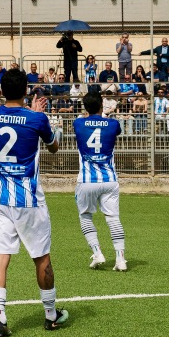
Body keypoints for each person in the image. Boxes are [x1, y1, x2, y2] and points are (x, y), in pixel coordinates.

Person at [0, 68, 67, 337]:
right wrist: (37, 113)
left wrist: (28, 112)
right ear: (27, 90)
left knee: (0, 256)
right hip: (29, 199)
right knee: (41, 257)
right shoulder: (37, 119)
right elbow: (53, 148)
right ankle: (51, 315)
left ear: (0, 90)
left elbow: (9, 118)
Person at [73, 93, 127, 272]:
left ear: (85, 106)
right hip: (109, 179)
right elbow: (112, 129)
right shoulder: (113, 124)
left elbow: (89, 123)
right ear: (102, 105)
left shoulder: (78, 123)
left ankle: (97, 252)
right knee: (113, 218)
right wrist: (106, 115)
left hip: (87, 180)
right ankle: (120, 259)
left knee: (85, 216)